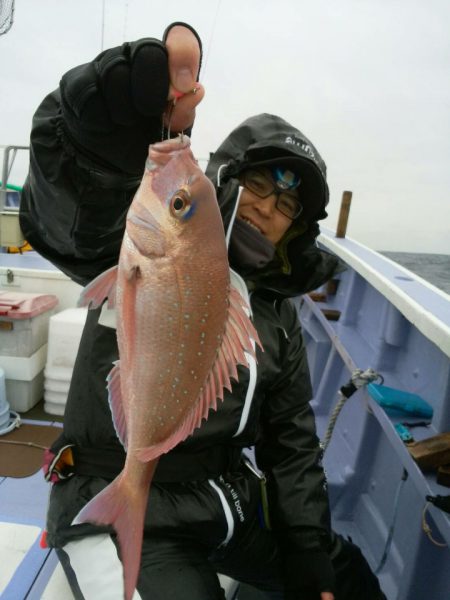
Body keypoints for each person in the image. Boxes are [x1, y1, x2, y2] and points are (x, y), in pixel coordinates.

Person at [20, 23, 386, 600]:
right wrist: (89, 150)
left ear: (295, 226)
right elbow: (70, 218)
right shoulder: (130, 239)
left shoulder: (278, 318)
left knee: (347, 576)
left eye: (286, 203)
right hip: (111, 479)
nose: (267, 208)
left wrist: (308, 550)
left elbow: (290, 446)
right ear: (227, 179)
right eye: (258, 185)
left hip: (222, 504)